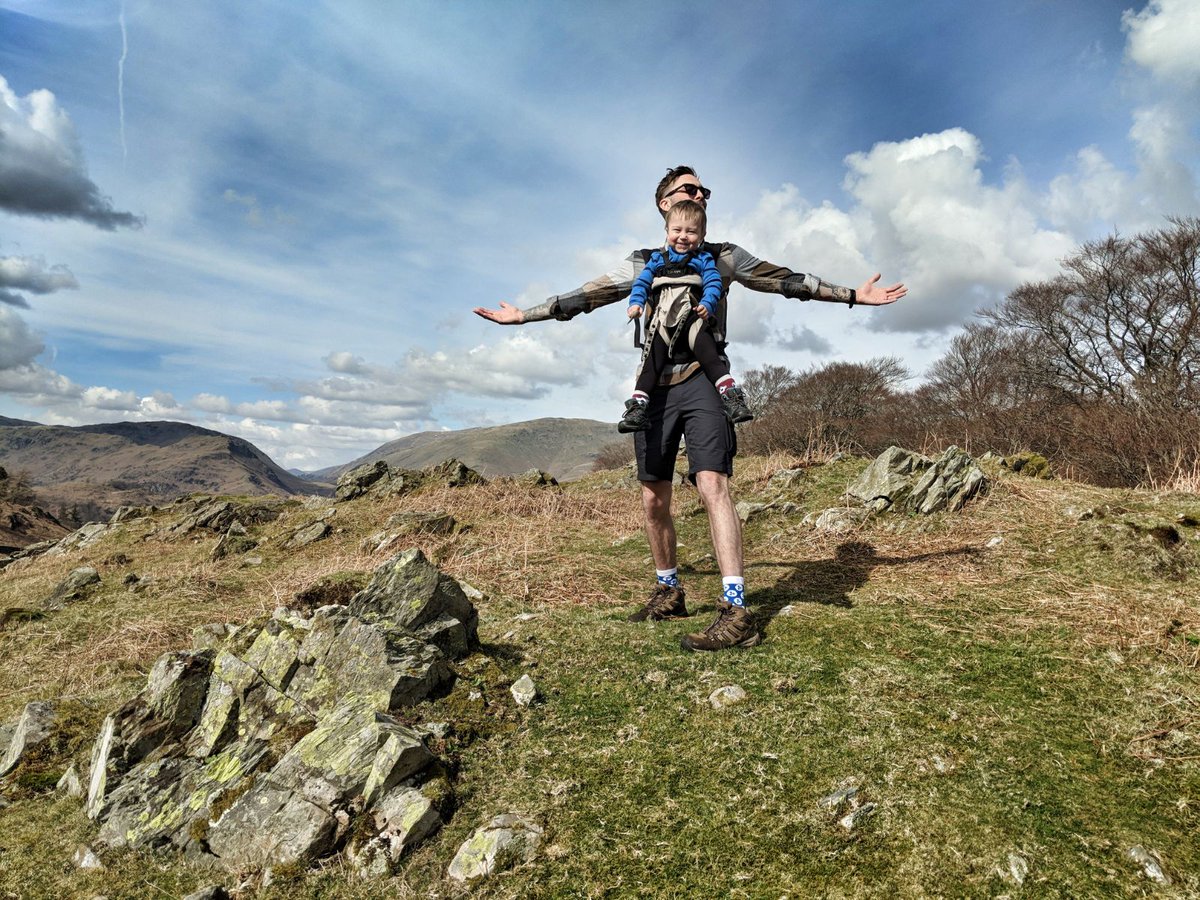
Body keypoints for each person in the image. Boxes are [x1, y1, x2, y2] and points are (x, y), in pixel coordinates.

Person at [474, 165, 906, 652]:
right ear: (664, 204)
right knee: (653, 498)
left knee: (712, 484)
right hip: (655, 389)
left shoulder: (723, 256)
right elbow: (585, 296)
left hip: (703, 381)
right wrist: (524, 316)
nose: (700, 195)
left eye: (704, 190)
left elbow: (784, 280)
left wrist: (852, 295)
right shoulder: (644, 262)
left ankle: (736, 611)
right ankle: (669, 592)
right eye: (689, 189)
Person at [620, 199, 753, 434]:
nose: (683, 236)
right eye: (677, 230)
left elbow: (713, 283)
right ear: (667, 231)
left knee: (710, 355)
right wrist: (635, 304)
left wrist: (707, 304)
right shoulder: (657, 260)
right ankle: (638, 407)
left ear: (702, 235)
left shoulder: (703, 259)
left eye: (691, 232)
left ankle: (732, 398)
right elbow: (641, 283)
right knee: (651, 363)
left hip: (692, 318)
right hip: (663, 322)